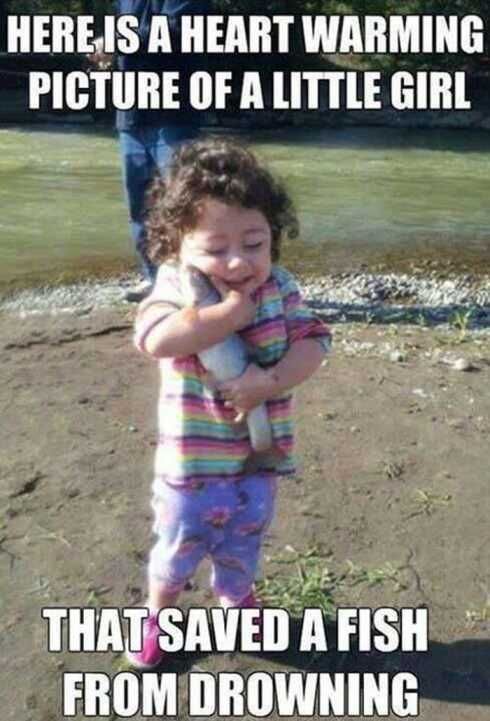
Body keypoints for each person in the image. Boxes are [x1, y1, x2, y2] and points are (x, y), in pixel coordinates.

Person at [127, 138, 332, 668]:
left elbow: (316, 339)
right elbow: (154, 339)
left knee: (244, 542)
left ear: (274, 240)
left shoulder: (281, 288)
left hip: (256, 460)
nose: (238, 261)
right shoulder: (176, 286)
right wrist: (222, 318)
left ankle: (236, 599)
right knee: (176, 550)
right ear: (177, 246)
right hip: (191, 467)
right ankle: (159, 612)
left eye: (255, 243)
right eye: (216, 249)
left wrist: (271, 381)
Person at [90, 1, 211, 302]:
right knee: (139, 205)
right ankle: (154, 278)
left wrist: (118, 40)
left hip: (175, 114)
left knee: (183, 202)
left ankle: (193, 281)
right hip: (131, 115)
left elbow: (177, 31)